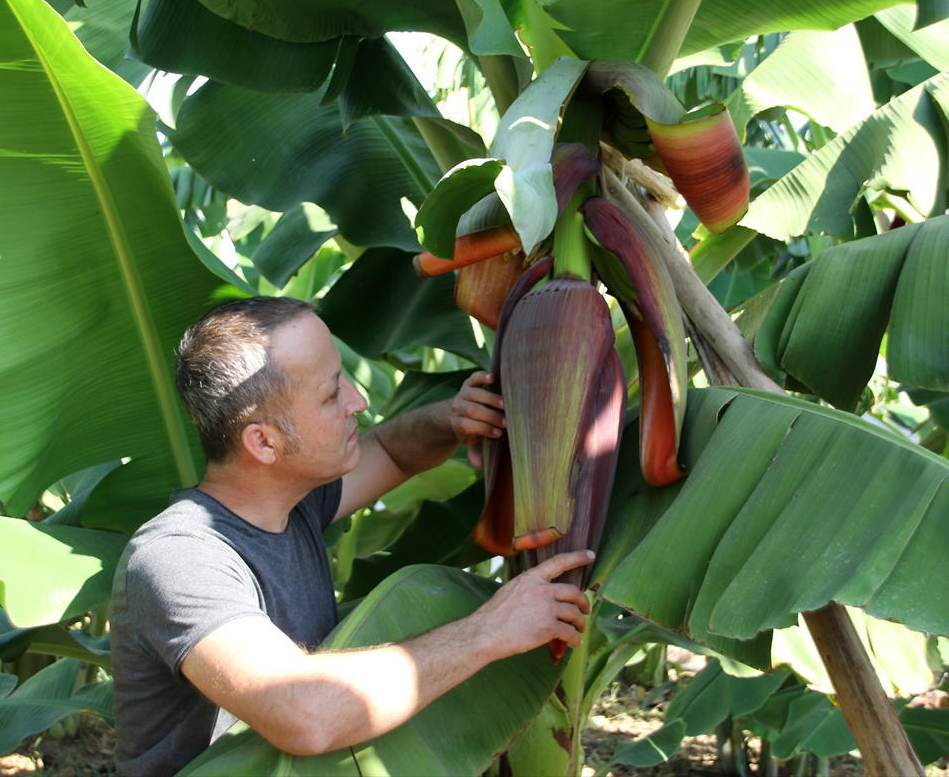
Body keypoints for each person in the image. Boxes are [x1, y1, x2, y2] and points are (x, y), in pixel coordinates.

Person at [110, 297, 594, 775]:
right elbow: (305, 715)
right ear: (263, 442)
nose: (357, 402)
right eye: (330, 395)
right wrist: (489, 630)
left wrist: (453, 416)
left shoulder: (290, 506)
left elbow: (390, 450)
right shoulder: (179, 557)